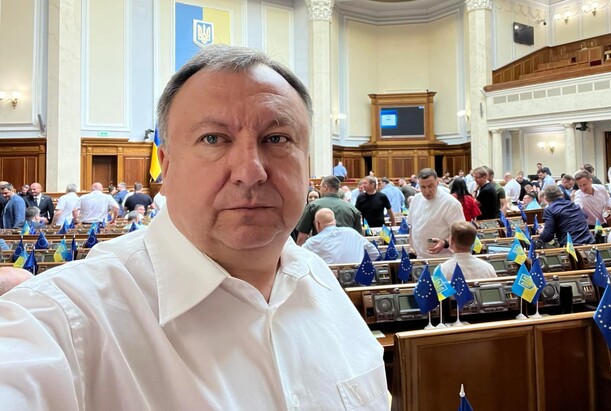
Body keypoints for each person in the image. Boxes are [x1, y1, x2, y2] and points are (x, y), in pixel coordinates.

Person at [0, 46, 386, 409]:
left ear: (305, 163)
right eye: (213, 139)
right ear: (166, 167)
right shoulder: (62, 322)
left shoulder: (319, 280)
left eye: (277, 138)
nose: (251, 171)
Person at [408, 168, 464, 259]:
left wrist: (445, 243)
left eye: (430, 186)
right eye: (423, 187)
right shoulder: (415, 200)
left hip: (443, 258)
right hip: (419, 258)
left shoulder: (451, 203)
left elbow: (460, 232)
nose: (427, 191)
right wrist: (411, 247)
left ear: (437, 182)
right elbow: (412, 227)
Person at [295, 175, 363, 246]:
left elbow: (302, 238)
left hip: (321, 253)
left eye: (320, 186)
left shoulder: (313, 206)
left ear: (325, 187)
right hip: (345, 253)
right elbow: (358, 239)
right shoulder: (352, 209)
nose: (320, 189)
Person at [302, 208, 379, 264]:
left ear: (317, 224)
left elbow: (301, 260)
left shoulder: (312, 242)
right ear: (334, 222)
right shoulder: (352, 233)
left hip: (328, 283)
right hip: (358, 281)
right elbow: (374, 253)